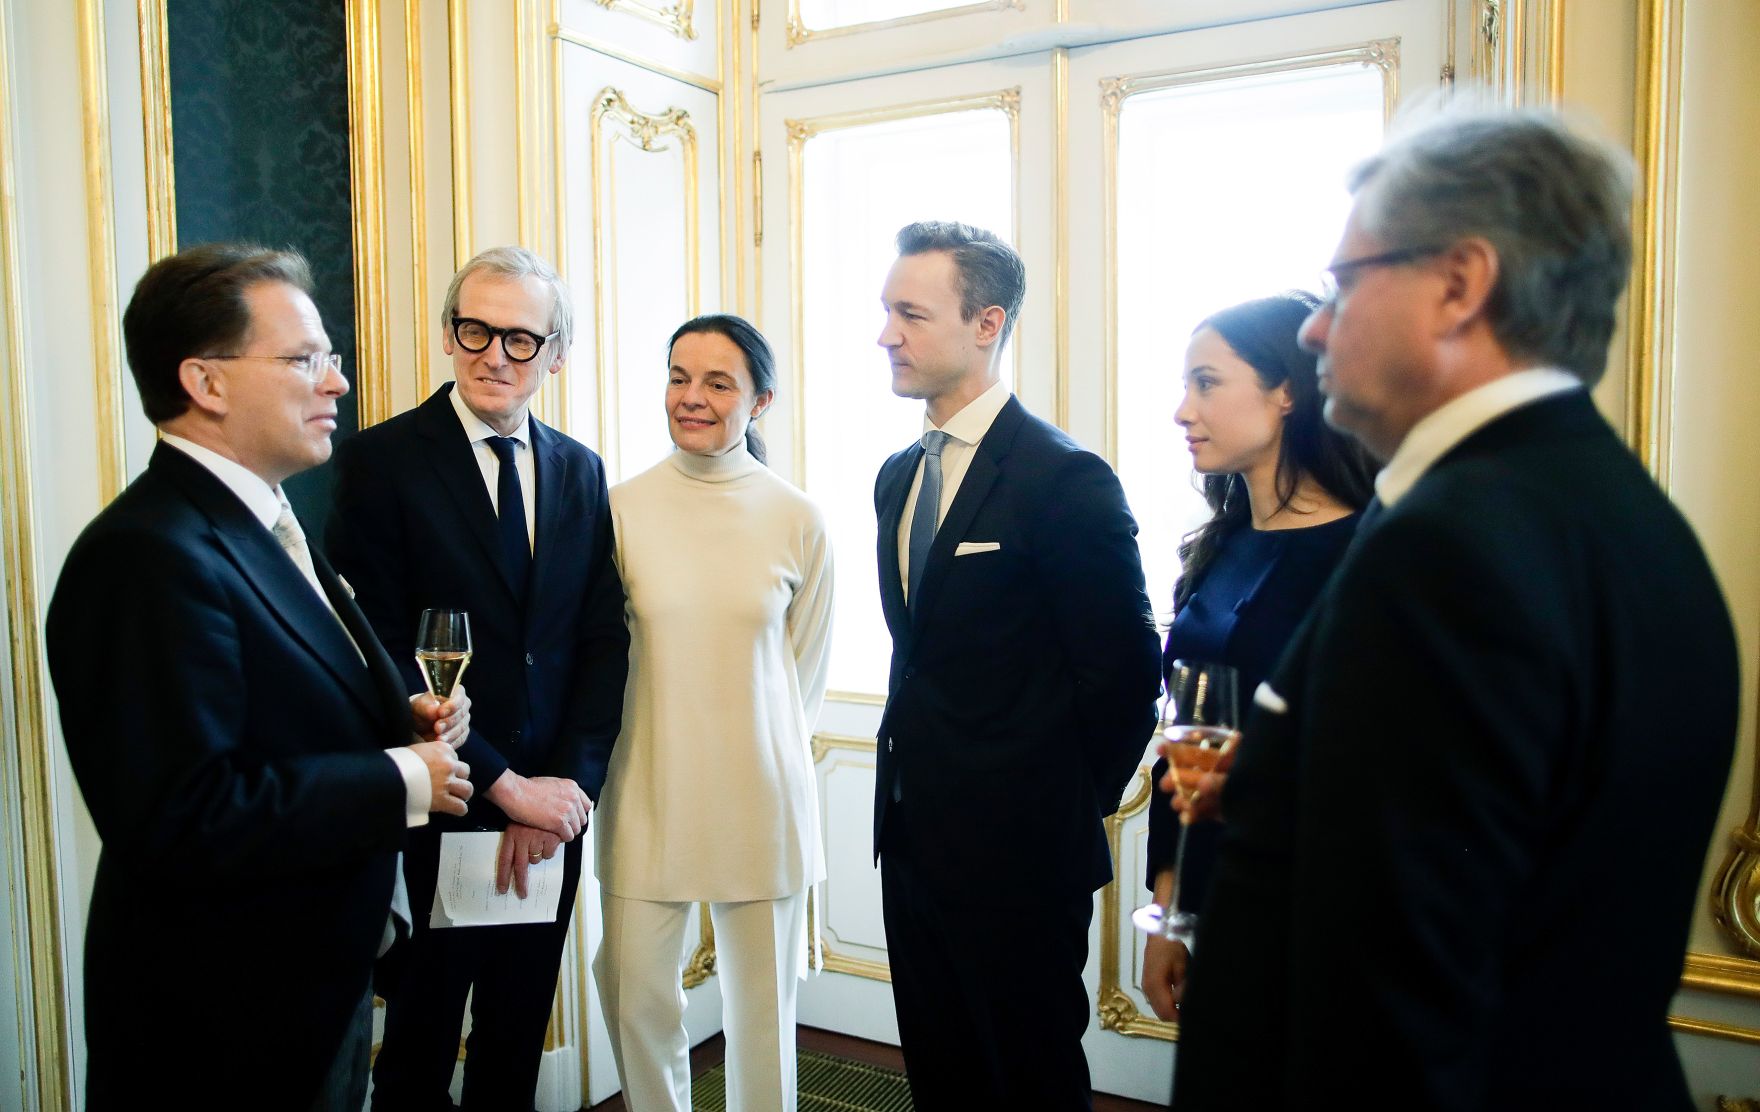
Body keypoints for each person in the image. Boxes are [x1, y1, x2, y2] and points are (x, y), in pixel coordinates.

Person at [1172, 107, 1739, 1110]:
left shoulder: (1445, 550)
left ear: (1457, 283)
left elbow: (1392, 994)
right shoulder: (1628, 517)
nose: (1313, 326)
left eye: (1344, 283)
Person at [46, 243, 473, 1110]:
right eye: (304, 359)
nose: (337, 384)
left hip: (317, 982)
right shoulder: (146, 555)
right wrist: (401, 776)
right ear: (206, 383)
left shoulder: (266, 518)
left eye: (332, 359)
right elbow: (179, 816)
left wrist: (401, 716)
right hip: (220, 1021)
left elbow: (285, 703)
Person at [326, 246, 629, 1109]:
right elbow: (374, 648)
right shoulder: (383, 462)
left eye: (521, 339)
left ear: (556, 355)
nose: (496, 353)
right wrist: (506, 787)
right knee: (418, 1049)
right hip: (446, 802)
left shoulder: (580, 469)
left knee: (514, 1042)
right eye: (476, 329)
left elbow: (603, 640)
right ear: (450, 336)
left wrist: (565, 785)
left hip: (551, 818)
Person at [872, 220, 1162, 1108]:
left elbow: (1124, 676)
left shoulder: (1065, 480)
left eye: (910, 315)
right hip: (910, 840)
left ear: (987, 323)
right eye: (887, 312)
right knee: (940, 1071)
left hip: (1022, 857)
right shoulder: (896, 476)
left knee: (1027, 1077)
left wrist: (1054, 807)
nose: (886, 334)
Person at [592, 313, 833, 1111]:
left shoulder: (797, 517)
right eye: (677, 377)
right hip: (645, 788)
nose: (690, 398)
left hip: (761, 795)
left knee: (763, 1016)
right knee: (634, 995)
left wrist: (748, 737)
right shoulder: (617, 508)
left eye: (717, 383)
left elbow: (802, 672)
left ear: (760, 401)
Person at [1139, 292, 1374, 1022]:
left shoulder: (1366, 557)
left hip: (1315, 910)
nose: (1183, 410)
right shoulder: (1222, 548)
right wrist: (1171, 914)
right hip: (1212, 889)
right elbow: (1184, 749)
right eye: (1185, 386)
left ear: (1286, 393)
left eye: (1206, 383)